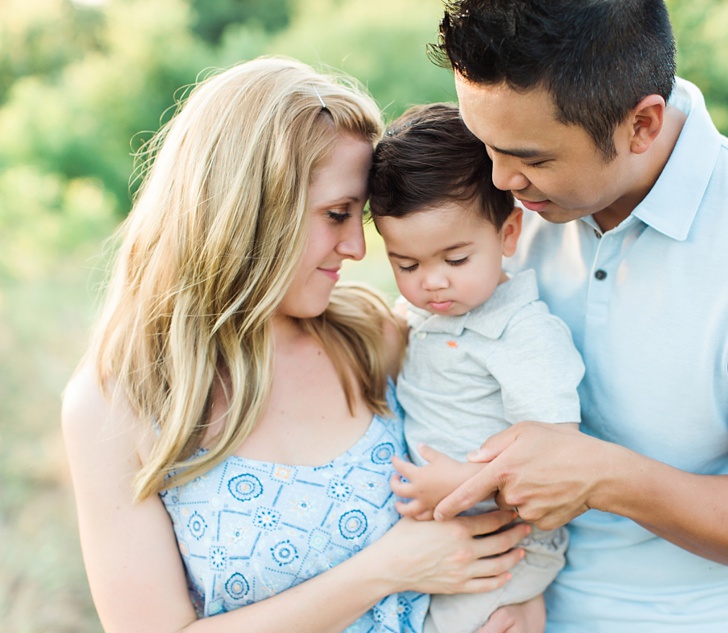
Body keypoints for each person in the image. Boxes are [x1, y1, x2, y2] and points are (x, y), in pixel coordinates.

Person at [400, 1, 728, 630]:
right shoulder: (501, 197)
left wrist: (606, 477)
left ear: (642, 126)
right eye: (484, 142)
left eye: (531, 157)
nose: (499, 177)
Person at [60, 56, 530, 633]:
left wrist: (518, 605)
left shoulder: (374, 336)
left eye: (361, 219)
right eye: (336, 215)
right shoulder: (118, 403)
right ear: (252, 210)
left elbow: (500, 475)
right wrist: (386, 570)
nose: (357, 248)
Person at [367, 103, 585, 633]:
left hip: (508, 543)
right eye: (407, 265)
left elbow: (561, 465)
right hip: (448, 534)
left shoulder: (524, 334)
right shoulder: (421, 311)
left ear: (508, 235)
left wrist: (464, 484)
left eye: (455, 260)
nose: (432, 282)